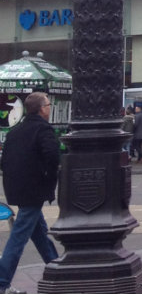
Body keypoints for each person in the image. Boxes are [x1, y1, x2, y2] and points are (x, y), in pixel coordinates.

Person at [0, 91, 60, 293]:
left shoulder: (16, 131)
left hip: (17, 188)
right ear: (42, 109)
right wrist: (49, 178)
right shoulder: (43, 129)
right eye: (49, 105)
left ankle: (57, 270)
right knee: (18, 237)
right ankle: (2, 282)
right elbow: (53, 155)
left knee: (39, 233)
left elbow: (4, 161)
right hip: (34, 189)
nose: (50, 108)